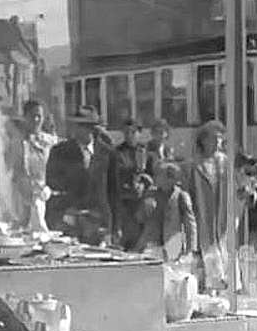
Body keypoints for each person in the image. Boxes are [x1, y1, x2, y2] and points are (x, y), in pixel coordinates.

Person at [46, 106, 112, 244]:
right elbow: (52, 181)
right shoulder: (60, 151)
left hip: (97, 218)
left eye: (85, 126)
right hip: (69, 215)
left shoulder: (107, 153)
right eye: (77, 125)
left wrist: (114, 226)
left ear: (93, 129)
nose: (79, 130)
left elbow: (113, 191)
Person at [189, 121, 231, 291]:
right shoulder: (195, 164)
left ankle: (223, 285)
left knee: (223, 249)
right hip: (203, 214)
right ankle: (209, 287)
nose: (217, 143)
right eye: (214, 139)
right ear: (204, 141)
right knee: (206, 250)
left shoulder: (225, 162)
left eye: (220, 139)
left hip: (221, 215)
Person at [8, 99, 56, 232]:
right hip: (24, 194)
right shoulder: (18, 142)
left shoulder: (50, 142)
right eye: (32, 116)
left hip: (45, 193)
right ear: (25, 117)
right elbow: (16, 170)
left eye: (39, 116)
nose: (36, 120)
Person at [136, 162, 197, 262]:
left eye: (160, 175)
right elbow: (139, 218)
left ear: (171, 179)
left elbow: (190, 225)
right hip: (152, 245)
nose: (156, 177)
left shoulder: (181, 196)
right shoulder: (151, 193)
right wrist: (145, 208)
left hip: (172, 245)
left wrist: (190, 250)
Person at [112, 119, 149, 250]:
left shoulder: (145, 151)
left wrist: (144, 184)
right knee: (129, 236)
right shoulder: (118, 151)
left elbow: (152, 172)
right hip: (126, 200)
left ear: (139, 133)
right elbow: (117, 175)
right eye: (126, 132)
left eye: (133, 132)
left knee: (144, 237)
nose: (129, 135)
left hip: (143, 199)